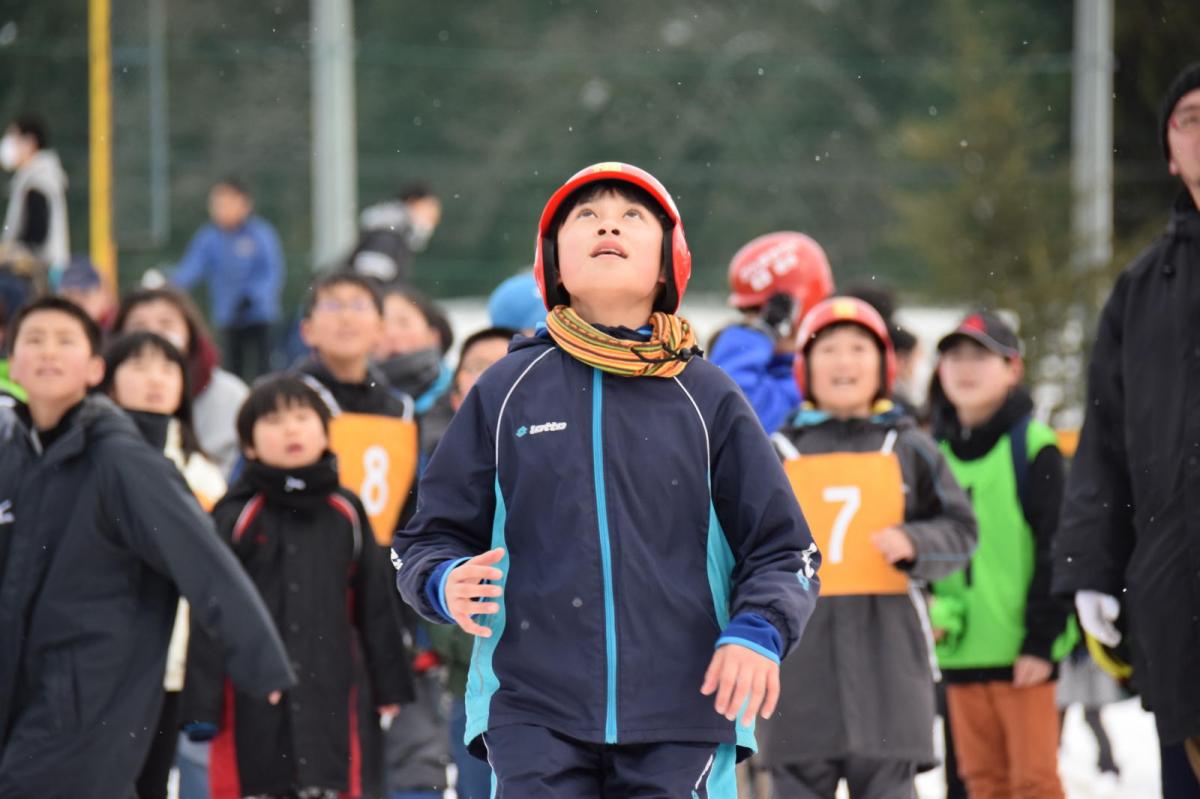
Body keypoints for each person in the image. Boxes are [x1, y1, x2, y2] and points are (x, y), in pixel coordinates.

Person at [394, 162, 820, 797]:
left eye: (631, 217)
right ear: (555, 265)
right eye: (586, 217)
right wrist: (443, 579)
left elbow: (785, 550)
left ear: (666, 265)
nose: (607, 226)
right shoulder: (506, 390)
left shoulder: (708, 395)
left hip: (685, 708)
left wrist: (757, 631)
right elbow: (425, 537)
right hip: (531, 709)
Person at [0, 296, 295, 797]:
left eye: (65, 341)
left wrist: (257, 657)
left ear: (95, 368)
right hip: (21, 682)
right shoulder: (18, 452)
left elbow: (201, 556)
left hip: (90, 694)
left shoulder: (120, 457)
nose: (48, 352)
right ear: (12, 360)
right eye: (35, 339)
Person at [761, 296, 976, 797]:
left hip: (889, 667)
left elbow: (961, 529)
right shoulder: (774, 451)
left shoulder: (909, 446)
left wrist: (917, 542)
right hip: (800, 669)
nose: (843, 362)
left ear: (882, 364)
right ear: (805, 366)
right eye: (828, 348)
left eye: (858, 348)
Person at [181, 375, 410, 799]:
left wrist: (389, 684)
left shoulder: (346, 509)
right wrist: (202, 705)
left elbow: (375, 604)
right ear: (248, 445)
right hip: (250, 694)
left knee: (331, 782)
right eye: (273, 421)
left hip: (331, 686)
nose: (290, 430)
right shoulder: (238, 513)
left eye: (302, 418)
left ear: (325, 432)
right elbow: (210, 612)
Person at [928, 311, 1077, 799]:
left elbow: (1058, 549)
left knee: (1033, 783)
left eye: (980, 356)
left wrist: (1041, 639)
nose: (964, 369)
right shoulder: (932, 451)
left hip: (1023, 655)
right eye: (953, 356)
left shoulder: (1034, 447)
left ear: (1013, 368)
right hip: (959, 651)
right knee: (979, 784)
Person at [295, 271, 422, 797]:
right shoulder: (290, 402)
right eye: (332, 305)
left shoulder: (400, 409)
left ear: (379, 328)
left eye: (359, 306)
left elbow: (415, 513)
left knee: (370, 754)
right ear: (307, 329)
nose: (346, 316)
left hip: (378, 602)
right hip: (305, 595)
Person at [100, 330, 227, 799]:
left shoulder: (202, 471)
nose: (155, 380)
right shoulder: (97, 461)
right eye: (138, 366)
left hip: (181, 664)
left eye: (167, 368)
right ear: (108, 381)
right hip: (109, 663)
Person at [113, 286, 249, 476]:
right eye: (139, 326)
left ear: (190, 332)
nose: (154, 334)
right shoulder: (101, 406)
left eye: (166, 324)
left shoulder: (230, 395)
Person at [709, 231, 835, 433]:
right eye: (747, 313)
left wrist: (761, 334)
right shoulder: (767, 369)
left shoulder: (810, 383)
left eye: (759, 312)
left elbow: (734, 405)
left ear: (793, 313)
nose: (751, 324)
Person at [172, 178, 285, 381]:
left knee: (264, 370)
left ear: (245, 204)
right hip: (228, 318)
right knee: (233, 373)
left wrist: (254, 297)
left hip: (259, 317)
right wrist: (168, 286)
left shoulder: (261, 234)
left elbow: (271, 271)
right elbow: (190, 269)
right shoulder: (209, 238)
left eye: (227, 203)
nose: (221, 209)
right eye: (217, 204)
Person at [0, 115, 69, 271]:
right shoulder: (32, 177)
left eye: (13, 137)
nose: (7, 144)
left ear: (30, 142)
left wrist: (9, 254)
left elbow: (36, 237)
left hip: (41, 271)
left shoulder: (39, 179)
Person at [352, 183, 442, 285]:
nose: (435, 216)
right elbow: (370, 285)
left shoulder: (395, 235)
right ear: (412, 202)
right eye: (429, 208)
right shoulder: (386, 237)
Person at [58, 255, 114, 332]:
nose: (75, 302)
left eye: (84, 294)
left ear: (105, 296)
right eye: (69, 294)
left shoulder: (121, 331)